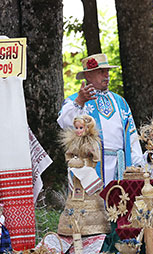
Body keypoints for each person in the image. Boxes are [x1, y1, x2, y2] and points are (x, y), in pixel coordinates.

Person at [57, 53, 143, 186]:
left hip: (120, 166)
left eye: (107, 71)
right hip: (90, 166)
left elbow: (132, 136)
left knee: (119, 202)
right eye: (101, 72)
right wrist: (80, 101)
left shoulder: (120, 102)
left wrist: (139, 164)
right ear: (88, 75)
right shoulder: (75, 100)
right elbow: (64, 123)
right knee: (93, 205)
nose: (106, 75)